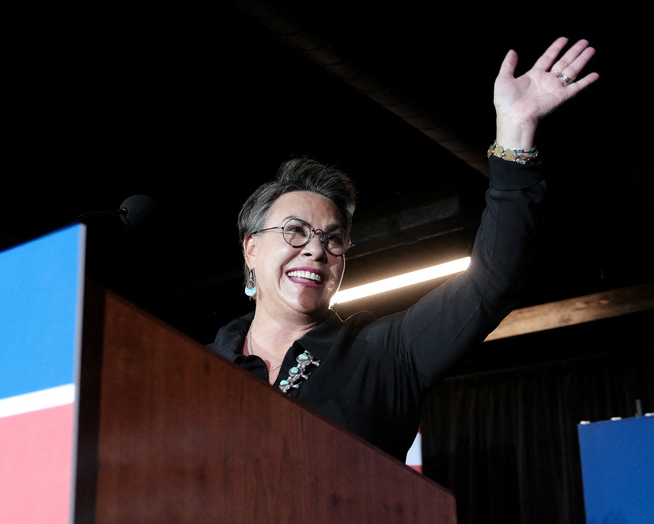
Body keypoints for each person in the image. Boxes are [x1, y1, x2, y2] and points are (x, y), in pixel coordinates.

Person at [209, 38, 599, 462]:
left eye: (332, 239)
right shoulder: (194, 365)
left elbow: (493, 280)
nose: (316, 251)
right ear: (251, 249)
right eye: (295, 231)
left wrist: (515, 132)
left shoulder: (387, 354)